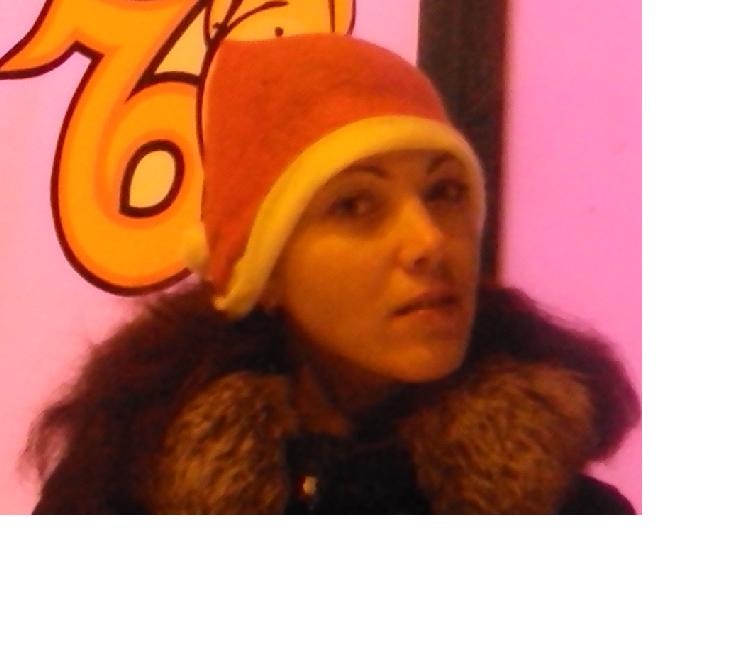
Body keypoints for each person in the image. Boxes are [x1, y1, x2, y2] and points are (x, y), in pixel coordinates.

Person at [22, 33, 640, 514]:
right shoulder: (120, 497)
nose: (429, 241)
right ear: (264, 273)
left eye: (446, 192)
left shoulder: (570, 515)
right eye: (355, 205)